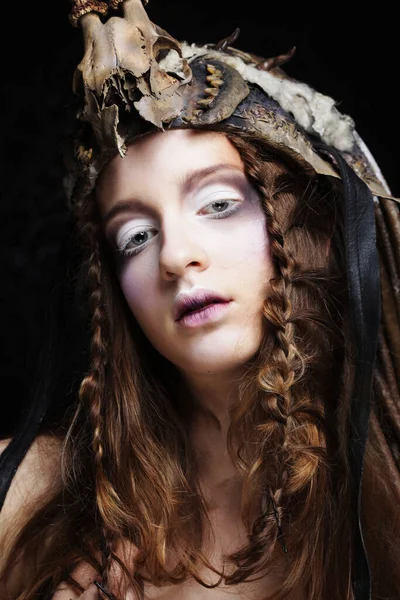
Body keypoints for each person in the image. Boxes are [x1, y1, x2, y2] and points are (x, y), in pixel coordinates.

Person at [1, 1, 399, 599]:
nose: (174, 256)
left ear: (304, 228)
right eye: (135, 237)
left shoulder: (386, 495)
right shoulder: (26, 496)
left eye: (218, 204)